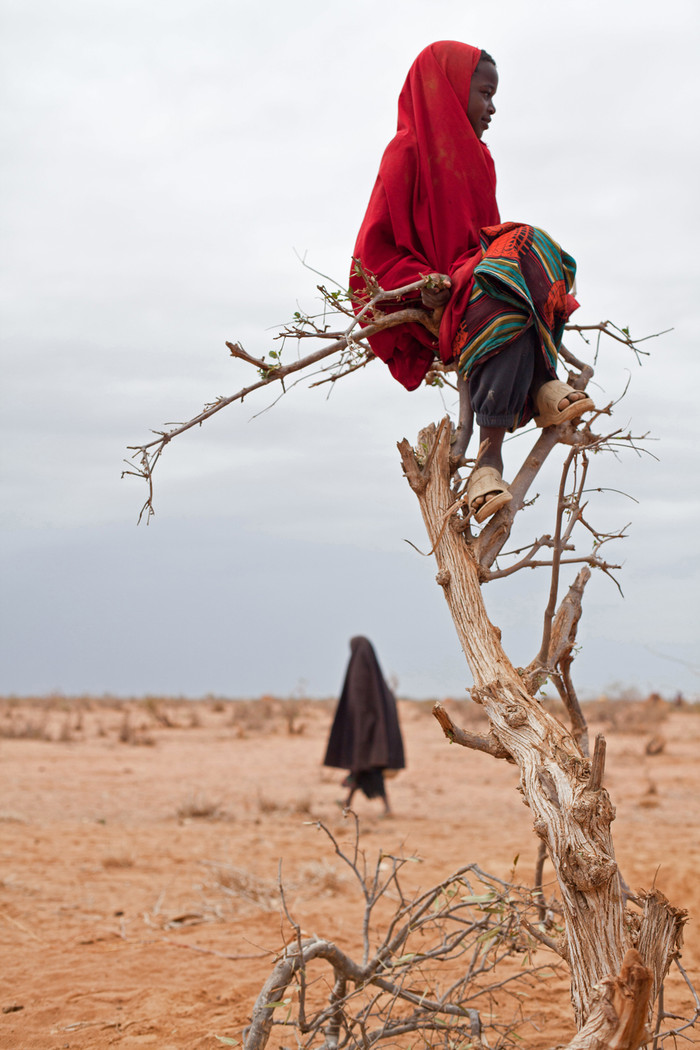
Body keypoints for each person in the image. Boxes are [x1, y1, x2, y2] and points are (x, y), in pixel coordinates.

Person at [350, 41, 595, 523]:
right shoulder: (406, 153)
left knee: (526, 258)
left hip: (481, 287)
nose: (492, 107)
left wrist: (493, 265)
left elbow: (486, 244)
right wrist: (425, 285)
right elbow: (368, 263)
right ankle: (498, 447)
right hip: (437, 297)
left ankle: (516, 421)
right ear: (449, 90)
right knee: (509, 269)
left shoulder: (481, 160)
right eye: (484, 93)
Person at [323, 637, 405, 816]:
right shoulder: (376, 680)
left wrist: (360, 737)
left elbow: (359, 709)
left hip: (365, 738)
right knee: (361, 771)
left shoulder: (360, 674)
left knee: (364, 770)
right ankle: (350, 802)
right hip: (372, 739)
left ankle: (382, 807)